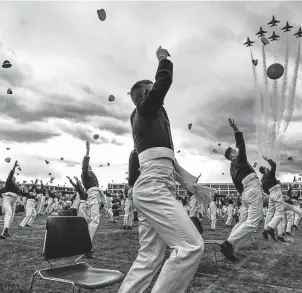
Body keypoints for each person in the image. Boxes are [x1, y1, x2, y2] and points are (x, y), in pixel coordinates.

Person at [118, 46, 204, 293]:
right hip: (153, 185)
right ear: (145, 94)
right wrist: (163, 59)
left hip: (154, 185)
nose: (156, 94)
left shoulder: (145, 117)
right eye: (150, 89)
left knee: (150, 258)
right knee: (191, 246)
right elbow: (163, 81)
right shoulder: (144, 109)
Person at [221, 118, 263, 262]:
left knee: (242, 222)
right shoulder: (239, 160)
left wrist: (244, 195)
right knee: (252, 222)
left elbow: (237, 185)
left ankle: (231, 248)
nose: (237, 150)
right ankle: (229, 244)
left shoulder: (232, 168)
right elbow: (241, 143)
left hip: (245, 192)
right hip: (252, 188)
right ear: (232, 154)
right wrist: (234, 127)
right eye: (235, 150)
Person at [81, 141, 106, 258]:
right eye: (88, 167)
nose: (89, 167)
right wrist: (87, 151)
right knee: (94, 221)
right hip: (93, 195)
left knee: (92, 221)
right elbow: (85, 165)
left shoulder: (91, 175)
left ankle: (85, 245)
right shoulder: (85, 174)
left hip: (95, 196)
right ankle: (87, 247)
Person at [259, 155, 284, 242]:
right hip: (276, 191)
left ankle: (265, 229)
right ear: (265, 169)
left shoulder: (262, 180)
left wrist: (271, 193)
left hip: (271, 194)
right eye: (266, 167)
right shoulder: (270, 173)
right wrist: (267, 159)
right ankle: (271, 228)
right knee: (280, 212)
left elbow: (265, 190)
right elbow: (274, 165)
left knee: (270, 213)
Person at [1, 160, 21, 239]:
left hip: (14, 201)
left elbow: (19, 192)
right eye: (13, 178)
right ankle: (5, 230)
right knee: (8, 213)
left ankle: (5, 231)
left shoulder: (16, 186)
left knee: (11, 217)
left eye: (15, 178)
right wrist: (14, 168)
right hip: (8, 199)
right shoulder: (8, 182)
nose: (14, 178)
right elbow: (10, 175)